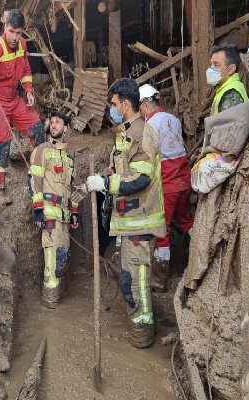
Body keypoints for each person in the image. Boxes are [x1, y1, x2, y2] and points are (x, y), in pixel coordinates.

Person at [86, 78, 165, 348]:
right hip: (128, 221)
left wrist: (107, 184)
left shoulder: (142, 134)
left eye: (114, 104)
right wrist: (104, 176)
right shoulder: (125, 134)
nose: (111, 109)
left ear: (126, 104)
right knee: (129, 278)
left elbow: (141, 178)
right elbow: (121, 171)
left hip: (139, 222)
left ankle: (142, 337)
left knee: (135, 283)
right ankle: (138, 331)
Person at [0, 9, 45, 191]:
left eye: (18, 33)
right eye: (11, 31)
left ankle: (42, 168)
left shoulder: (23, 45)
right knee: (3, 140)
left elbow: (25, 70)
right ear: (5, 27)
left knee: (37, 127)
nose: (15, 37)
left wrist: (29, 91)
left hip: (15, 98)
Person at [139, 84, 193, 292]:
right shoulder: (174, 120)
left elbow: (149, 159)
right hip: (184, 182)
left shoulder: (150, 125)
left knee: (162, 232)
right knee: (187, 221)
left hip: (168, 185)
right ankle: (201, 259)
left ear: (145, 105)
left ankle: (158, 281)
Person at [29, 111, 79, 308]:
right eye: (52, 121)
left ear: (65, 127)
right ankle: (50, 301)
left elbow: (72, 189)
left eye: (59, 122)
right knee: (53, 259)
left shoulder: (68, 159)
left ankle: (57, 296)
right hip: (49, 214)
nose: (54, 124)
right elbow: (35, 182)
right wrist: (38, 210)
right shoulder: (42, 150)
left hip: (64, 217)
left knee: (63, 258)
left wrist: (74, 212)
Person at [207, 43, 249, 114]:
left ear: (231, 69)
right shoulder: (225, 89)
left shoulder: (232, 94)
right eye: (211, 64)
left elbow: (230, 124)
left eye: (216, 64)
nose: (210, 69)